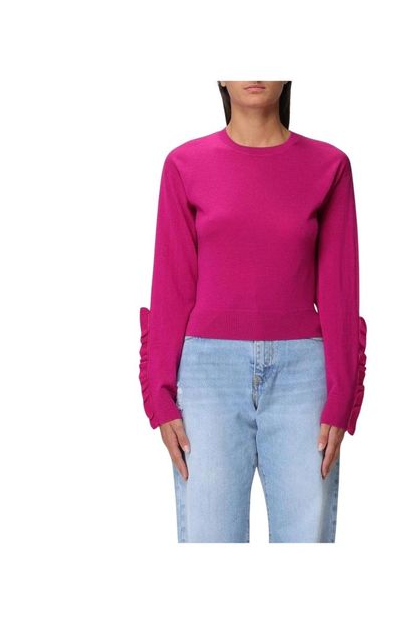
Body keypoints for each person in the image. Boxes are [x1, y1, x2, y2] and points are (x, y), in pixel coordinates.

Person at [138, 80, 367, 542]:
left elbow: (340, 289)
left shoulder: (329, 166)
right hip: (208, 377)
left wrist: (343, 393)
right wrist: (158, 395)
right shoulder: (184, 165)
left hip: (305, 377)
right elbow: (171, 286)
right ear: (220, 78)